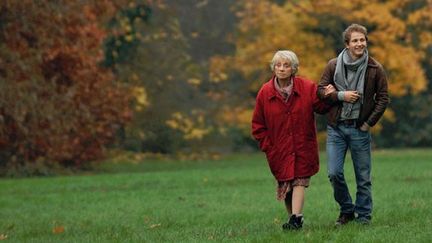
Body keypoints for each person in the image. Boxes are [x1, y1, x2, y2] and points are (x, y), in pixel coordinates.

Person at [252, 50, 333, 230]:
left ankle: (296, 218)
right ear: (273, 68)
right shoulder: (265, 92)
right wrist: (268, 147)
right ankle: (293, 220)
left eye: (286, 65)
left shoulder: (306, 87)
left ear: (293, 68)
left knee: (299, 182)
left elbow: (320, 107)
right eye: (278, 65)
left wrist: (328, 96)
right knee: (287, 184)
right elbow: (258, 125)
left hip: (303, 145)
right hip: (278, 149)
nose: (281, 69)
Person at [317, 23, 389, 225]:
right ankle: (347, 210)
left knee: (363, 178)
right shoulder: (333, 65)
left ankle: (364, 216)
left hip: (359, 129)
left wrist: (368, 124)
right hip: (336, 129)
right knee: (334, 173)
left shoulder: (375, 68)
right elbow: (320, 91)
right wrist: (341, 95)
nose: (359, 44)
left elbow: (383, 98)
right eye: (355, 40)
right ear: (347, 44)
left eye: (362, 40)